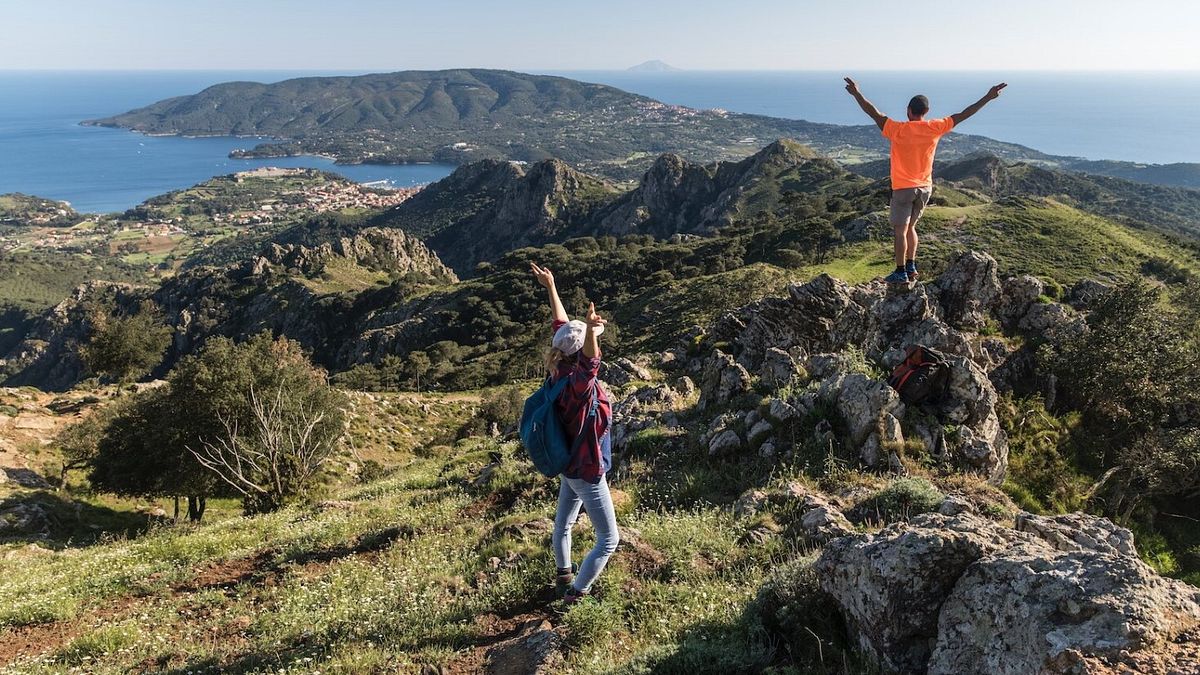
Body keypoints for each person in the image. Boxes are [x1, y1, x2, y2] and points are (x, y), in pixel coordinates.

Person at [844, 77, 1007, 284]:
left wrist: (857, 93)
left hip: (903, 188)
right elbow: (964, 114)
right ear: (926, 112)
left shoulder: (897, 129)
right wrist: (988, 97)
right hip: (925, 188)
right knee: (911, 227)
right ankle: (911, 266)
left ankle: (900, 271)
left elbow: (872, 112)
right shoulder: (935, 127)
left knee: (900, 231)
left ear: (908, 111)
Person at [530, 261, 617, 604]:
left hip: (569, 463)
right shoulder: (577, 386)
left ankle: (563, 577)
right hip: (586, 469)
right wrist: (593, 334)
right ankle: (576, 597)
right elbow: (591, 364)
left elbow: (562, 327)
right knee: (609, 539)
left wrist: (551, 286)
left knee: (563, 524)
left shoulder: (558, 368)